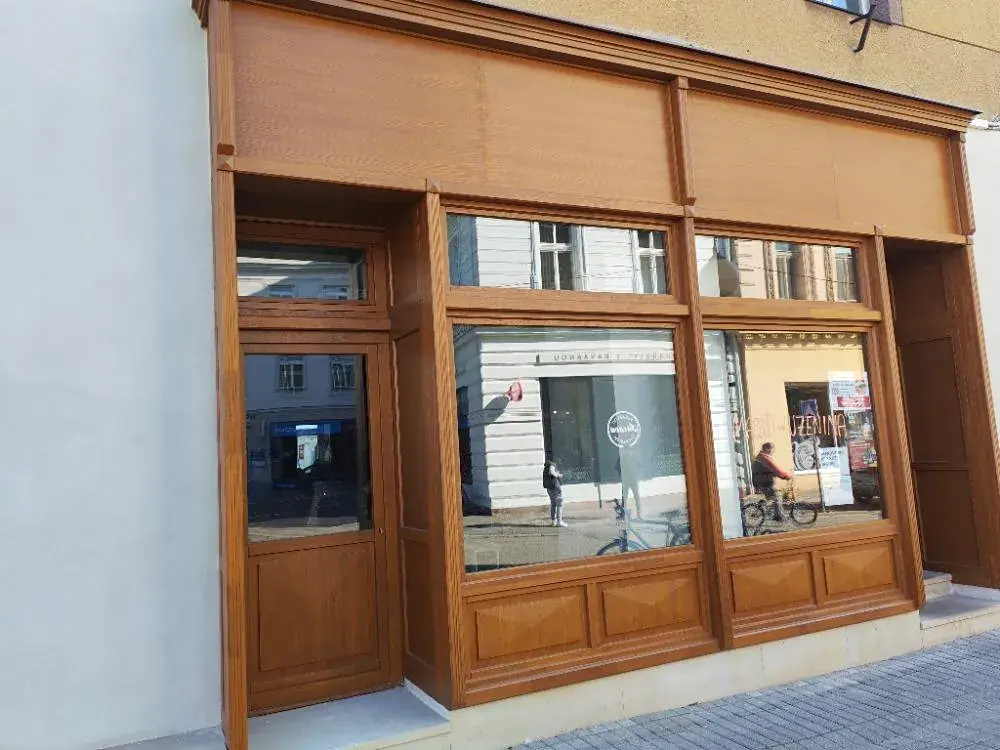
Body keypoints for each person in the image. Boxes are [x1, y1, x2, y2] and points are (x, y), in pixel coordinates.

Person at [751, 442, 793, 521]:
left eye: (773, 449)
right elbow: (776, 470)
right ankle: (779, 516)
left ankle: (762, 506)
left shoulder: (762, 457)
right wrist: (786, 476)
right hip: (764, 483)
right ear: (766, 449)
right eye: (771, 449)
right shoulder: (763, 458)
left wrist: (782, 475)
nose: (772, 451)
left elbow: (772, 471)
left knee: (772, 498)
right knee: (777, 497)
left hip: (762, 482)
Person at [616, 449, 642, 519]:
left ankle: (638, 514)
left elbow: (638, 467)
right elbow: (617, 468)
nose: (629, 452)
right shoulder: (623, 459)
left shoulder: (633, 458)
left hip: (631, 480)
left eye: (629, 450)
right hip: (628, 480)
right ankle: (624, 515)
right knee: (626, 498)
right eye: (627, 450)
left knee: (635, 497)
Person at [542, 458, 566, 527]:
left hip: (549, 488)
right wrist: (558, 475)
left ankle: (554, 521)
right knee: (560, 504)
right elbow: (552, 472)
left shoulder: (546, 467)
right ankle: (559, 521)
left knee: (553, 504)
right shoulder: (552, 465)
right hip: (555, 487)